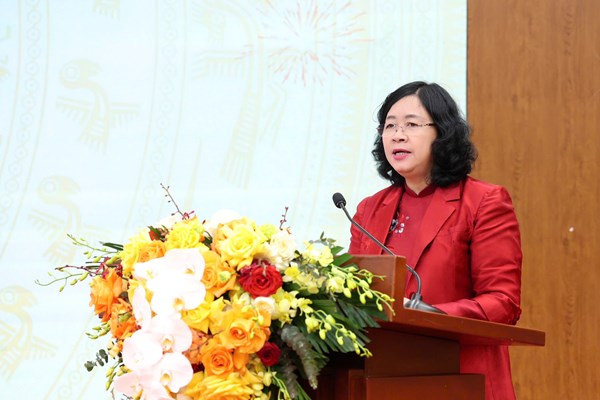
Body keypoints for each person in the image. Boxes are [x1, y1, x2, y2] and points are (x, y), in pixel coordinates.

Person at [348, 81, 522, 400]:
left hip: (462, 376)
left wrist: (426, 315)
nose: (397, 135)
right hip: (385, 378)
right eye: (390, 126)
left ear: (442, 133)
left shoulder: (483, 202)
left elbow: (503, 303)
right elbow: (354, 296)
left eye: (411, 125)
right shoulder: (368, 210)